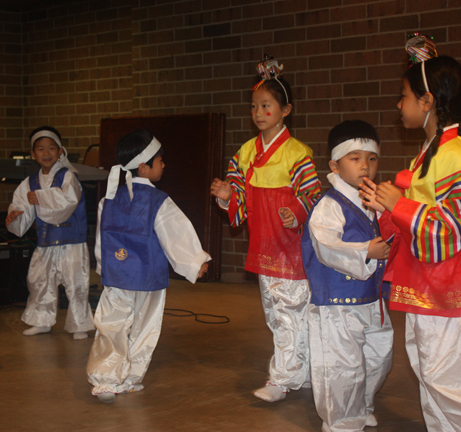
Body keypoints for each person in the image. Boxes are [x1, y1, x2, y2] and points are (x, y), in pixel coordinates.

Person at [360, 34, 461, 432]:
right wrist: (386, 206)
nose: (398, 105)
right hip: (433, 281)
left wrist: (397, 204)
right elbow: (420, 219)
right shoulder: (429, 153)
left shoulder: (456, 154)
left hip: (451, 284)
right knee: (431, 371)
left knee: (450, 376)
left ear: (427, 102)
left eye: (404, 96)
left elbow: (454, 226)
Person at [210, 55, 322, 402]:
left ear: (286, 110)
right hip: (263, 244)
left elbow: (313, 194)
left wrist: (298, 212)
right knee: (277, 313)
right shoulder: (245, 152)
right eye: (254, 106)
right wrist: (228, 196)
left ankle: (283, 377)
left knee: (290, 312)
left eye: (266, 105)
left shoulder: (297, 152)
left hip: (289, 245)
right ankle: (299, 371)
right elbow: (239, 194)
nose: (259, 113)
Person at [87, 129, 211, 404]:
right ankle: (128, 377)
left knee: (111, 326)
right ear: (144, 167)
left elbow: (101, 239)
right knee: (144, 328)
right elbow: (175, 234)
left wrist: (102, 267)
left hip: (116, 277)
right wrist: (195, 262)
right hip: (148, 279)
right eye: (160, 160)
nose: (164, 164)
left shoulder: (107, 200)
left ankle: (107, 380)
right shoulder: (159, 201)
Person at [302, 120, 393, 431]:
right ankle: (341, 421)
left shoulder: (376, 203)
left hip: (371, 299)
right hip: (337, 302)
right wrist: (367, 250)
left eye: (372, 158)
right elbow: (327, 246)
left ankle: (361, 404)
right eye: (355, 158)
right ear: (335, 165)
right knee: (343, 365)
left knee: (379, 356)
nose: (365, 166)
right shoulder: (329, 205)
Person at [5, 126, 94, 339]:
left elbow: (68, 202)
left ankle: (79, 325)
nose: (46, 153)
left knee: (76, 283)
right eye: (41, 149)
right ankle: (41, 321)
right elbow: (21, 205)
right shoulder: (30, 182)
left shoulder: (68, 177)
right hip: (46, 241)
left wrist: (43, 198)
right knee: (40, 281)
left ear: (60, 151)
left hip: (71, 241)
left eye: (51, 148)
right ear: (33, 154)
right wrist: (15, 217)